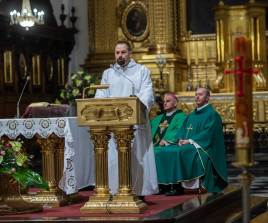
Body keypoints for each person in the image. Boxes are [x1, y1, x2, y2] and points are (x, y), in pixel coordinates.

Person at [95, 41, 158, 199]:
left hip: (134, 123)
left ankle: (139, 191)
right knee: (113, 158)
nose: (120, 56)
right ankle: (115, 190)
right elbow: (101, 94)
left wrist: (137, 109)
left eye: (123, 52)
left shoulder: (142, 71)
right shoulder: (108, 73)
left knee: (137, 156)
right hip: (113, 123)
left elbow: (147, 95)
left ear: (130, 54)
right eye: (117, 53)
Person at [155, 87, 228, 196]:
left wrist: (189, 141)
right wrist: (180, 140)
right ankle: (164, 186)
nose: (197, 97)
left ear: (207, 97)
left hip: (202, 147)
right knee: (163, 151)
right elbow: (182, 130)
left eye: (200, 94)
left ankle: (178, 188)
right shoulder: (192, 115)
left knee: (178, 152)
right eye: (196, 94)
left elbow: (208, 133)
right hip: (187, 144)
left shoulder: (213, 114)